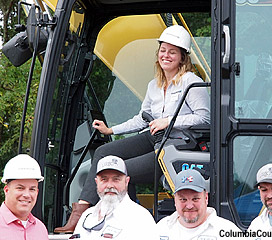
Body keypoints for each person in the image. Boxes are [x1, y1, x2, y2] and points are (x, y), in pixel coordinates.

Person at [54, 24, 210, 233]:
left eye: (172, 52)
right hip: (153, 138)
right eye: (163, 51)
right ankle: (80, 212)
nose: (166, 55)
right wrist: (111, 131)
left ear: (182, 57)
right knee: (104, 153)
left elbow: (204, 118)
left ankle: (127, 223)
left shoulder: (191, 82)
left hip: (176, 146)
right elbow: (142, 119)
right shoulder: (154, 85)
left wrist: (169, 121)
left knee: (122, 170)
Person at [70, 155, 158, 239]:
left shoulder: (140, 218)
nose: (109, 185)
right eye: (104, 179)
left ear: (126, 182)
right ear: (97, 182)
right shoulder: (87, 215)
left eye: (116, 179)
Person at [157, 169, 242, 240]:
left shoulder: (227, 231)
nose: (189, 206)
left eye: (195, 199)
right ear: (175, 200)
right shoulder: (162, 228)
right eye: (183, 199)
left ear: (206, 198)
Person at [0, 154, 48, 240]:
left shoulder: (40, 229)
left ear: (37, 192)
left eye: (32, 189)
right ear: (6, 190)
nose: (26, 195)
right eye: (20, 188)